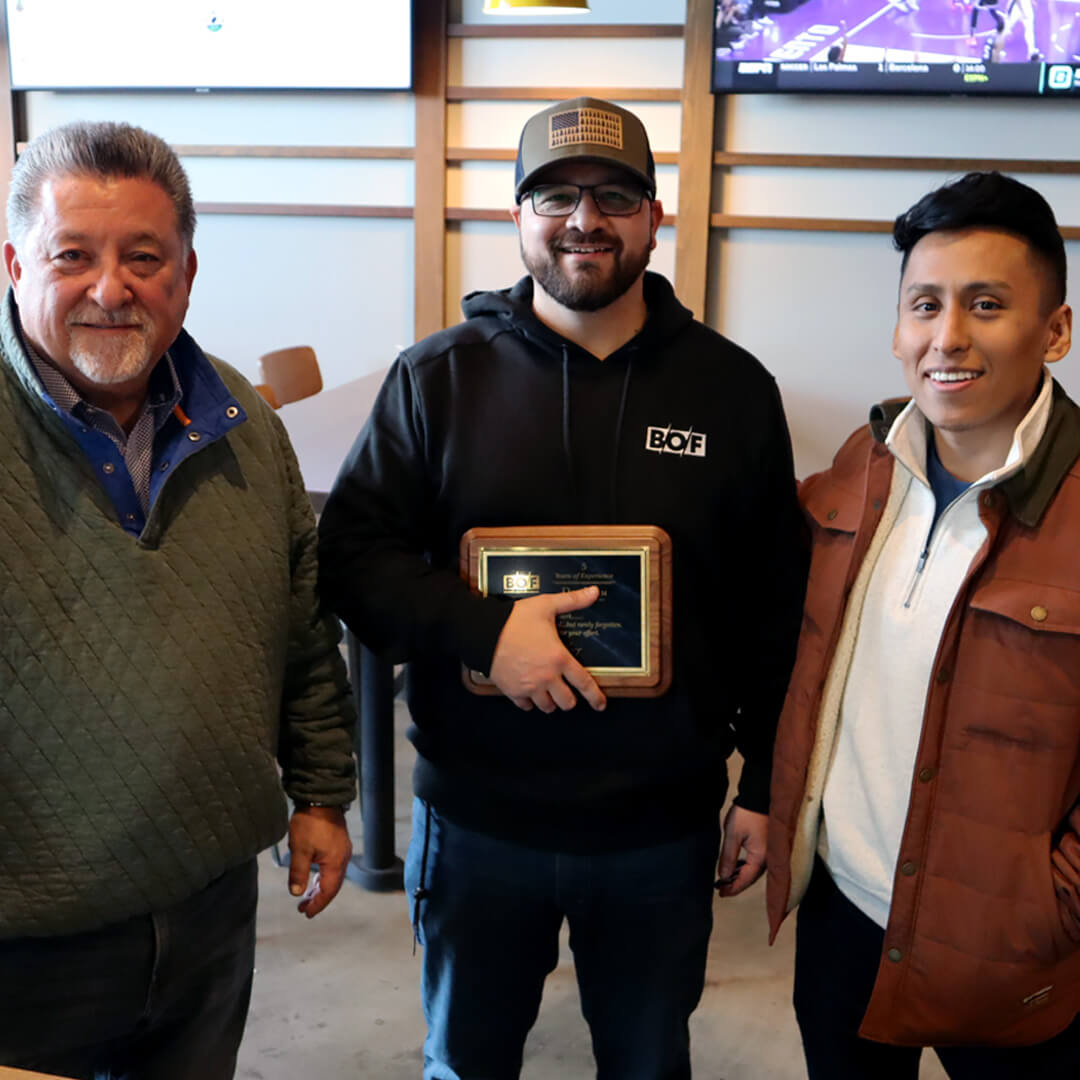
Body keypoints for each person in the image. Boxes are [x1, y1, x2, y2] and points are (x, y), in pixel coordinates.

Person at [318, 97, 808, 1079]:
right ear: (517, 218)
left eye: (615, 196)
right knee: (467, 1062)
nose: (584, 218)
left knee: (647, 1061)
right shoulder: (436, 382)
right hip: (479, 821)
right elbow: (354, 561)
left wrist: (762, 786)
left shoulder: (732, 391)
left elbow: (776, 603)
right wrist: (481, 631)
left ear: (653, 219)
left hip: (660, 827)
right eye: (555, 194)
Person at [0, 121, 356, 1080]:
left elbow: (301, 630)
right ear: (16, 261)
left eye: (143, 258)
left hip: (208, 914)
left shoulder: (241, 423)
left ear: (187, 276)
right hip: (27, 949)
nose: (110, 289)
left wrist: (321, 793)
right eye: (72, 255)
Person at [767, 171, 1080, 1078]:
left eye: (986, 305)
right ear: (899, 327)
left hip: (1012, 947)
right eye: (926, 305)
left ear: (1054, 330)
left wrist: (1049, 907)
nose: (948, 338)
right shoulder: (864, 463)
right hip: (845, 914)